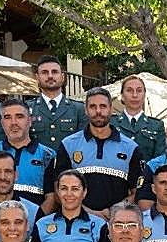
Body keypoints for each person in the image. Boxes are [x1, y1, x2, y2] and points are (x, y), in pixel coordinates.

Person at [55, 87, 144, 216]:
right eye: (92, 106)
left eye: (103, 106)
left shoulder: (131, 148)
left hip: (115, 222)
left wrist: (111, 212)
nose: (98, 111)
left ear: (111, 109)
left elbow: (137, 192)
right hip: (78, 220)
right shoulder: (68, 144)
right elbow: (58, 189)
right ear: (86, 110)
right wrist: (86, 212)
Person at [0, 98, 57, 209]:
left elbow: (52, 197)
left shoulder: (47, 155)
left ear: (30, 121)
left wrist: (35, 222)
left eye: (19, 117)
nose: (14, 123)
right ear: (2, 122)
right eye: (7, 117)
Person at [27, 55, 88, 151]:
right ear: (37, 78)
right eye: (45, 72)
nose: (50, 76)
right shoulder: (27, 108)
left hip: (69, 164)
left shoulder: (79, 109)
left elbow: (84, 143)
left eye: (54, 72)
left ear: (62, 77)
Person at [110, 74, 166, 163]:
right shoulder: (111, 123)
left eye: (139, 91)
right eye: (129, 90)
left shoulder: (156, 125)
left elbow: (159, 160)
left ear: (144, 95)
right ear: (122, 96)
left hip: (146, 175)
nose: (135, 95)